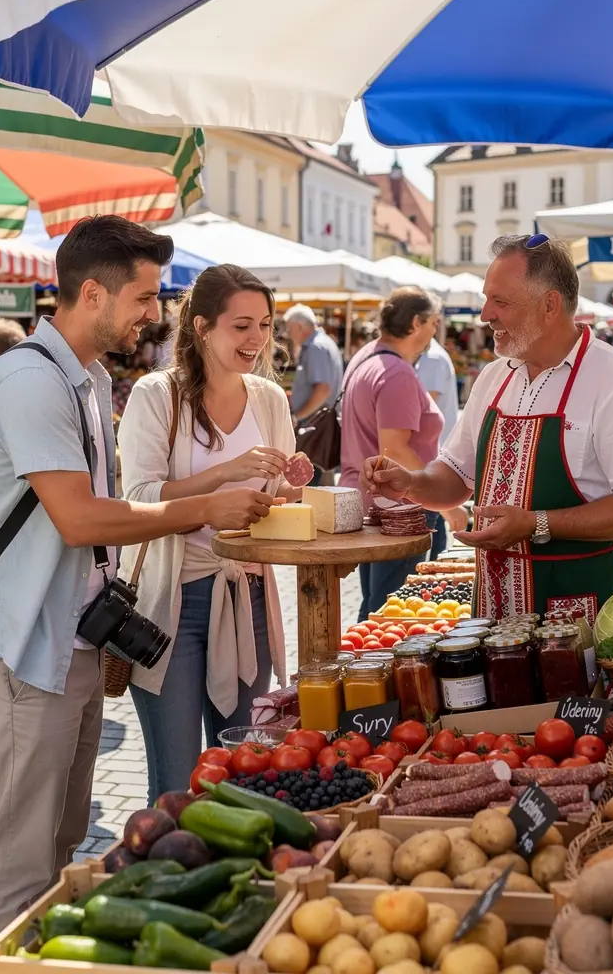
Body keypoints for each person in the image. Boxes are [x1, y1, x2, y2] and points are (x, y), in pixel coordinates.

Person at [0, 217, 273, 970]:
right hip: (22, 649)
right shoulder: (33, 379)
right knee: (15, 863)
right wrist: (204, 506)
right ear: (92, 293)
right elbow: (81, 518)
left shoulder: (85, 379)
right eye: (142, 298)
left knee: (56, 847)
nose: (154, 315)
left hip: (64, 642)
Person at [363, 235, 613, 623]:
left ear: (549, 305)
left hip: (584, 616)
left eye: (501, 302)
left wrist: (536, 524)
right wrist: (410, 483)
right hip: (495, 619)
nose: (485, 315)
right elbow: (454, 479)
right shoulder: (494, 378)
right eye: (486, 299)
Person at [119, 265, 300, 802]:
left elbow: (279, 494)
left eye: (264, 325)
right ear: (201, 326)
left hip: (249, 595)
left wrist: (296, 490)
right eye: (241, 325)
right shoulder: (157, 394)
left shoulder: (270, 399)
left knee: (242, 772)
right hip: (171, 602)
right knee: (176, 781)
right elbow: (139, 498)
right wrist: (223, 475)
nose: (256, 338)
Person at [340, 287, 467, 621]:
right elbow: (395, 449)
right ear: (415, 323)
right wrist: (444, 502)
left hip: (374, 502)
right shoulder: (395, 372)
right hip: (401, 508)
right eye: (433, 323)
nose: (435, 332)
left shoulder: (366, 357)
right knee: (392, 610)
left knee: (377, 607)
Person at [415, 317, 460, 558]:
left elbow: (420, 410)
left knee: (435, 535)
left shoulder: (431, 358)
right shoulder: (430, 356)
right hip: (434, 454)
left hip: (434, 455)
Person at [284, 304, 343, 484]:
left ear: (300, 327)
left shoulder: (316, 347)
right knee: (312, 481)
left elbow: (323, 390)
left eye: (290, 329)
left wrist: (298, 416)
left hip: (315, 424)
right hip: (319, 423)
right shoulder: (322, 343)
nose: (288, 334)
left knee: (307, 483)